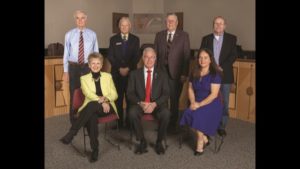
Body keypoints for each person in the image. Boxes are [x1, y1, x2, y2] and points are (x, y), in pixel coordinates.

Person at [60, 52, 118, 163]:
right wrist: (101, 100)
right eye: (93, 63)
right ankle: (95, 149)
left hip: (107, 108)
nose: (95, 66)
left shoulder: (108, 76)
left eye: (98, 63)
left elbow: (114, 94)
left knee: (92, 105)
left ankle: (72, 132)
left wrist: (105, 100)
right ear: (89, 65)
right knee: (92, 117)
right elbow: (88, 94)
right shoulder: (84, 78)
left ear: (101, 65)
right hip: (92, 109)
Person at [127, 47, 170, 155]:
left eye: (152, 57)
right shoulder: (134, 74)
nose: (149, 60)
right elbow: (130, 93)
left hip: (157, 104)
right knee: (132, 112)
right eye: (146, 57)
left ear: (155, 59)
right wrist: (140, 103)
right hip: (140, 104)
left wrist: (154, 104)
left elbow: (166, 93)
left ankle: (159, 142)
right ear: (142, 58)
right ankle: (142, 141)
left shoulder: (162, 74)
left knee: (166, 113)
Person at [179, 48, 223, 156]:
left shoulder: (215, 74)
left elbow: (213, 95)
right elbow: (190, 89)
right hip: (197, 100)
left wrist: (199, 105)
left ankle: (200, 142)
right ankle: (204, 137)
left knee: (198, 115)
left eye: (205, 58)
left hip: (212, 103)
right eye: (200, 58)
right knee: (187, 113)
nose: (202, 60)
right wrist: (193, 102)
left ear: (210, 60)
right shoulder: (194, 72)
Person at [199, 16, 237, 137]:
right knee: (209, 100)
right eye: (216, 23)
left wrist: (221, 67)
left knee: (224, 102)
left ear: (225, 26)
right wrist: (211, 67)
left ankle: (221, 126)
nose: (218, 26)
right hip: (209, 75)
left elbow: (233, 56)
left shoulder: (232, 39)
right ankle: (210, 124)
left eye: (221, 24)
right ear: (213, 25)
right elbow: (201, 55)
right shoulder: (206, 39)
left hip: (225, 76)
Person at [154, 13, 190, 133]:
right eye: (168, 21)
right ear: (166, 22)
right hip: (161, 73)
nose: (170, 23)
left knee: (174, 100)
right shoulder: (159, 35)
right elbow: (155, 55)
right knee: (161, 99)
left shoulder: (184, 36)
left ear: (177, 23)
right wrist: (154, 72)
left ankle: (173, 124)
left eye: (172, 21)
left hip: (176, 73)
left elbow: (186, 56)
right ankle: (162, 122)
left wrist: (184, 73)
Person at [63, 10, 99, 124]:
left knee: (88, 93)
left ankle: (86, 119)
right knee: (74, 94)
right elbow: (66, 54)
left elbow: (96, 53)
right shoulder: (69, 34)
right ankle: (74, 122)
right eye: (77, 18)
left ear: (86, 19)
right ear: (75, 20)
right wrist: (65, 72)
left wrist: (96, 70)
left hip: (87, 67)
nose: (80, 20)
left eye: (82, 18)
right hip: (73, 68)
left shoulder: (93, 34)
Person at [107, 17, 140, 128]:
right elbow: (110, 56)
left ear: (130, 26)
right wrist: (120, 68)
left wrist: (127, 68)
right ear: (119, 26)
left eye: (126, 25)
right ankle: (119, 123)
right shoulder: (113, 39)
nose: (124, 27)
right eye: (122, 25)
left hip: (131, 75)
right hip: (117, 74)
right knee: (118, 99)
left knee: (130, 99)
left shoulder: (136, 39)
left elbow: (136, 57)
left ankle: (129, 123)